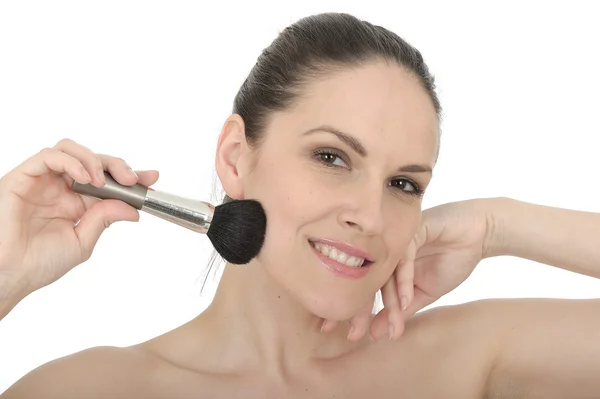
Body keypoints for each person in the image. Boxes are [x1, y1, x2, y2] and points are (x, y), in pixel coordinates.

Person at [1, 11, 599, 398]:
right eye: (332, 158)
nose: (369, 215)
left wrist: (499, 225)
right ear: (236, 157)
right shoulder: (90, 389)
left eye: (404, 185)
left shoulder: (469, 361)